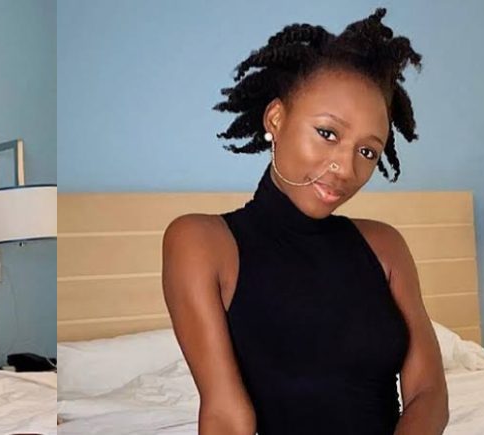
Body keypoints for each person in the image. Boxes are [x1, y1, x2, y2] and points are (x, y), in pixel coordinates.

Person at [162, 8, 447, 435]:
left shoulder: (385, 246)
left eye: (367, 151)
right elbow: (226, 415)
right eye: (328, 133)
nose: (345, 168)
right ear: (276, 119)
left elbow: (429, 393)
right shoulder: (201, 242)